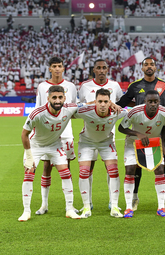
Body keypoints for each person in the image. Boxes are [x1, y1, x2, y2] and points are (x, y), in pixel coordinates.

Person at [116, 57, 165, 211]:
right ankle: (134, 197)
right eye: (146, 65)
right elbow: (124, 102)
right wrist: (113, 105)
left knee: (163, 166)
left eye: (151, 64)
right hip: (139, 131)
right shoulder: (135, 86)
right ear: (142, 68)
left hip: (158, 131)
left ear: (155, 67)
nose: (149, 67)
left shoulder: (164, 86)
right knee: (135, 166)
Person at [19, 85, 81, 221]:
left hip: (55, 145)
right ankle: (26, 211)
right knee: (29, 174)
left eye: (60, 97)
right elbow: (24, 134)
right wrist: (29, 156)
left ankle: (70, 209)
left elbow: (88, 106)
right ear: (48, 99)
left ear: (64, 98)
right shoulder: (37, 113)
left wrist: (111, 104)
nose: (57, 100)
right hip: (36, 146)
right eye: (54, 98)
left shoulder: (69, 108)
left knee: (65, 173)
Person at [34, 57, 77, 215]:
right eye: (54, 66)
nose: (57, 69)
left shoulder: (70, 86)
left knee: (67, 168)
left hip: (66, 133)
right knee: (46, 167)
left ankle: (69, 205)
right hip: (47, 135)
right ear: (50, 69)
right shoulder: (42, 86)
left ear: (63, 68)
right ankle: (44, 205)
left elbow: (74, 109)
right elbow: (38, 110)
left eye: (60, 66)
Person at [78, 59, 123, 211]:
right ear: (94, 70)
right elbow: (79, 106)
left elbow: (120, 105)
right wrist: (100, 103)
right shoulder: (85, 86)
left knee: (111, 169)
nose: (102, 70)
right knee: (87, 169)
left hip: (109, 133)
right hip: (90, 132)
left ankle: (113, 202)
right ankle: (88, 202)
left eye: (104, 68)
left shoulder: (115, 86)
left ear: (108, 69)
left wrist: (114, 104)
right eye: (99, 68)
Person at [74, 88, 126, 218]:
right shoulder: (85, 111)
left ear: (110, 102)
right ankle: (86, 207)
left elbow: (132, 112)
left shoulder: (117, 112)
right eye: (100, 101)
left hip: (106, 142)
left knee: (113, 171)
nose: (102, 104)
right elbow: (69, 109)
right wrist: (88, 103)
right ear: (95, 102)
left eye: (106, 101)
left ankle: (114, 206)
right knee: (84, 172)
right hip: (87, 142)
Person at [118, 90, 165, 218]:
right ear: (145, 102)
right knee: (130, 169)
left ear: (159, 102)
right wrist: (138, 133)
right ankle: (128, 208)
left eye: (155, 102)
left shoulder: (164, 113)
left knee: (160, 169)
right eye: (150, 102)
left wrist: (163, 146)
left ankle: (161, 207)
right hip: (134, 143)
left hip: (154, 142)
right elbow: (121, 128)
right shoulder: (135, 112)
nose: (153, 104)